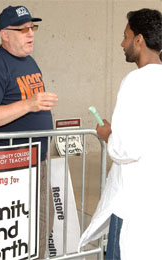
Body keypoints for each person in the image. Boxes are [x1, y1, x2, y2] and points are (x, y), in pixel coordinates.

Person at [0, 5, 58, 259]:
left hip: (38, 160)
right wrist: (30, 104)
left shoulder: (29, 61)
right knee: (16, 232)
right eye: (22, 29)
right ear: (4, 34)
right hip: (12, 167)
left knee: (43, 225)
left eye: (32, 27)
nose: (30, 33)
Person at [79, 8, 162, 260]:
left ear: (139, 40)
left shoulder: (135, 82)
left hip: (133, 204)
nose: (122, 43)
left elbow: (125, 148)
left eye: (126, 36)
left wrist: (107, 135)